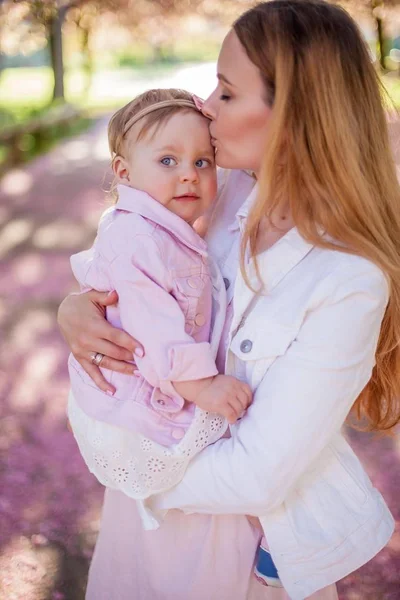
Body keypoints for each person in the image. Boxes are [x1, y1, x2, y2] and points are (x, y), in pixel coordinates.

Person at [58, 1, 400, 599]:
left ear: (293, 114)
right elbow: (137, 263)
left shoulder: (348, 278)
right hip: (142, 529)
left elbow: (256, 477)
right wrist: (80, 308)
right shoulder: (220, 190)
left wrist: (125, 463)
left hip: (236, 551)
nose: (203, 107)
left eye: (226, 93)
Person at [67, 87, 252, 527]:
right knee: (175, 479)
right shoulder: (138, 238)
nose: (189, 175)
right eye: (168, 161)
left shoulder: (161, 227)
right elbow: (155, 326)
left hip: (147, 390)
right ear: (124, 172)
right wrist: (202, 385)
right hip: (135, 407)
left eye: (201, 162)